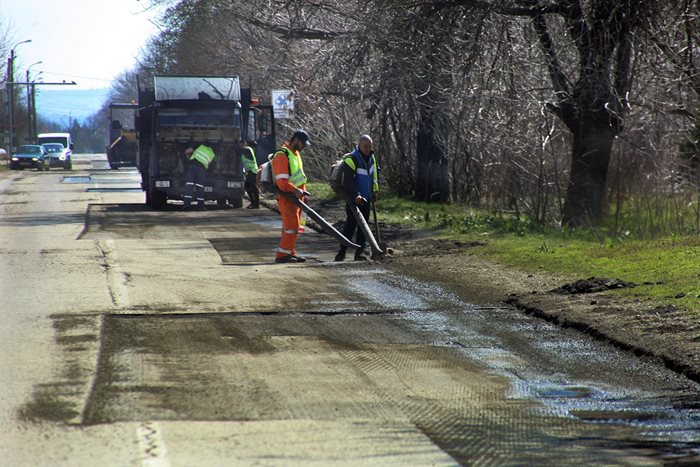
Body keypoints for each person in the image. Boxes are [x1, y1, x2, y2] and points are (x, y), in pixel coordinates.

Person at [335, 134, 379, 261]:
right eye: (365, 147)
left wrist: (375, 191)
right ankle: (341, 252)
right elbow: (349, 182)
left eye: (369, 147)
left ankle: (360, 252)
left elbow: (374, 175)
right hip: (353, 199)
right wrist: (356, 196)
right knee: (351, 225)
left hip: (367, 197)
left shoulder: (372, 157)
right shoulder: (351, 159)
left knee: (364, 226)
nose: (367, 149)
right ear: (359, 145)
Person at [272, 129, 311, 263]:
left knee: (292, 227)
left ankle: (289, 253)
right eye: (303, 144)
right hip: (287, 198)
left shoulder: (295, 154)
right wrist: (295, 190)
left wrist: (303, 193)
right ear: (295, 140)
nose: (304, 147)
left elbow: (298, 177)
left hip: (296, 198)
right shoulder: (282, 155)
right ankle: (282, 256)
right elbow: (282, 182)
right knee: (291, 227)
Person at [183, 143, 216, 210]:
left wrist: (186, 155)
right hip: (201, 169)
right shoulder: (213, 154)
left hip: (192, 166)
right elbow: (210, 164)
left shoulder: (201, 146)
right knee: (200, 187)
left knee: (189, 185)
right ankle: (200, 206)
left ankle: (186, 205)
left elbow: (188, 151)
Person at [240, 140, 260, 208]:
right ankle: (254, 203)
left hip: (253, 171)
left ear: (244, 144)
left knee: (252, 187)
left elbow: (240, 149)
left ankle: (256, 204)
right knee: (249, 187)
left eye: (242, 144)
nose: (241, 146)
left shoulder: (248, 149)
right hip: (250, 172)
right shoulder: (243, 152)